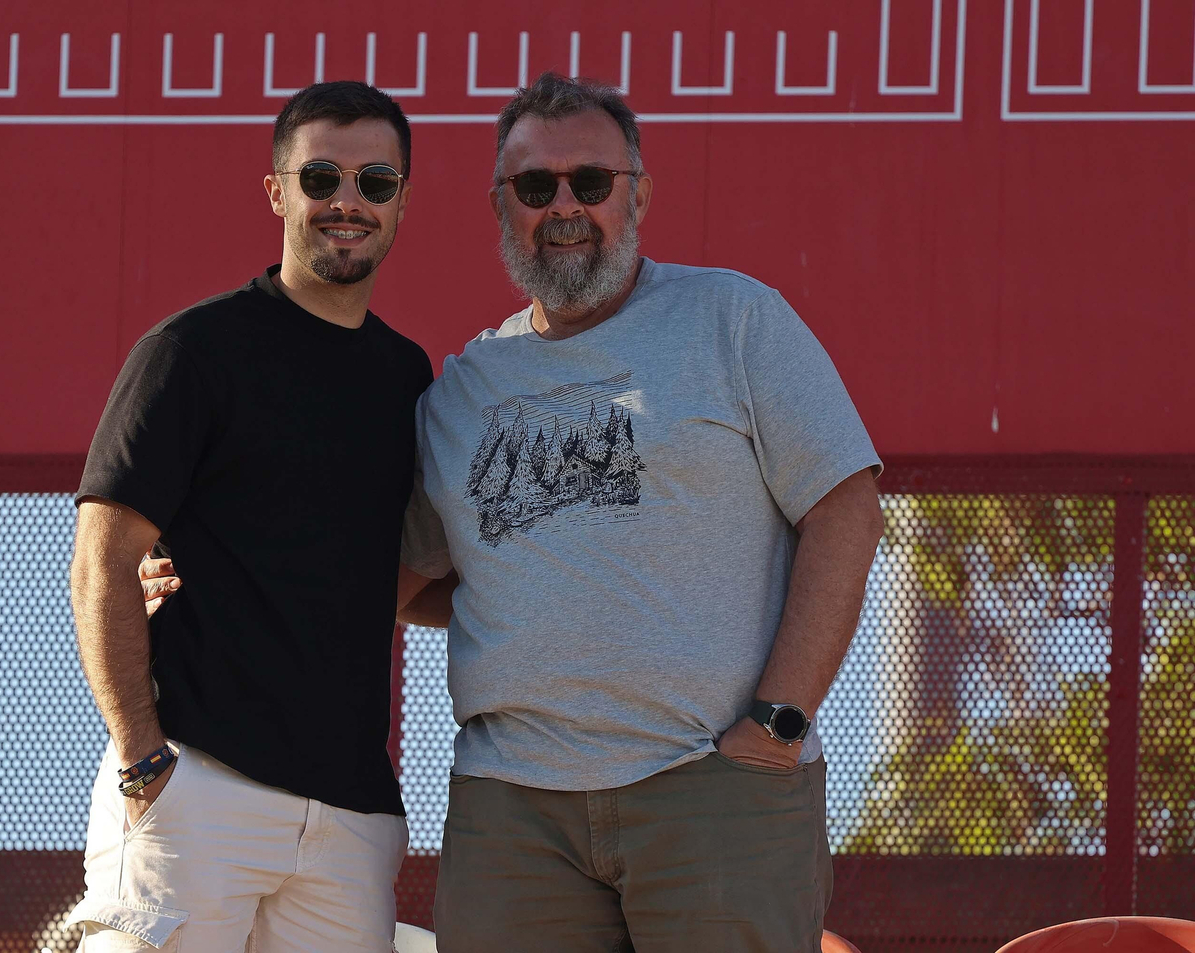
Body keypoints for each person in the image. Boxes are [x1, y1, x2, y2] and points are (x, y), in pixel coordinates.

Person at [143, 73, 885, 952]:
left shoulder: (733, 319)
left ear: (638, 192)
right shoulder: (462, 389)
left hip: (711, 784)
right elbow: (387, 582)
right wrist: (198, 578)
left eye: (591, 182)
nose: (564, 206)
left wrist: (779, 722)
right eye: (536, 187)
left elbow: (846, 508)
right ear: (503, 206)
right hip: (511, 814)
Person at [66, 80, 432, 952]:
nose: (348, 201)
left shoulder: (409, 379)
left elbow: (408, 578)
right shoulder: (191, 352)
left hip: (351, 820)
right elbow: (101, 564)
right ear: (278, 192)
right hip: (194, 790)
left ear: (401, 203)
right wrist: (143, 757)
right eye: (322, 178)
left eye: (375, 182)